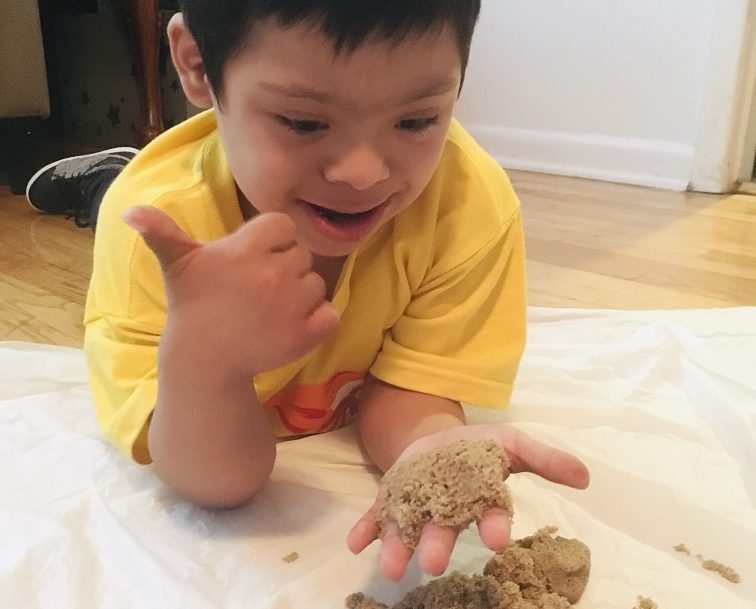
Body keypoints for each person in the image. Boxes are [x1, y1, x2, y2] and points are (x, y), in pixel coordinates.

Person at [27, 0, 590, 582]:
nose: (363, 173)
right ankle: (103, 177)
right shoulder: (164, 230)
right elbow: (216, 481)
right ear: (195, 64)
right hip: (156, 208)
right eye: (304, 123)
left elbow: (411, 394)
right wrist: (205, 360)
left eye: (416, 121)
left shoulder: (465, 207)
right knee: (120, 201)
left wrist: (434, 451)